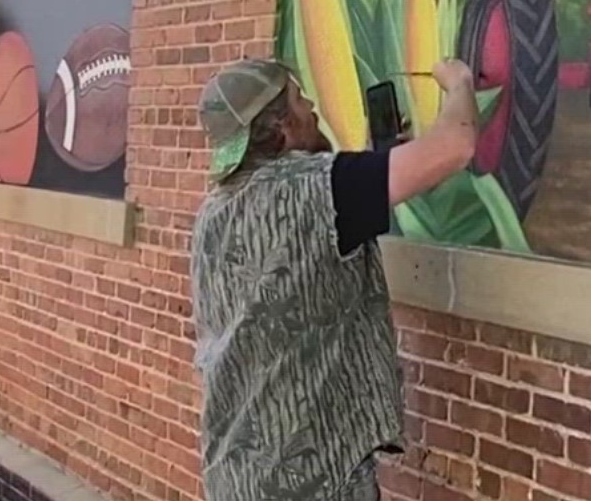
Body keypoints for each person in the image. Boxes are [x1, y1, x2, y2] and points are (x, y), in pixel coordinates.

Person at [190, 57, 480, 501]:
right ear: (283, 126)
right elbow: (455, 146)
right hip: (311, 483)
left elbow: (314, 239)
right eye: (302, 101)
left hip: (235, 475)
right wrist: (459, 84)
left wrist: (373, 165)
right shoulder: (318, 190)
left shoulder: (214, 210)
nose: (313, 109)